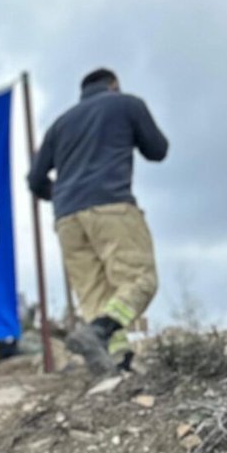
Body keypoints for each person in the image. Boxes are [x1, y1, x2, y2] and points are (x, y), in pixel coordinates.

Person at [28, 68, 168, 375]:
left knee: (95, 295)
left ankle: (117, 363)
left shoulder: (59, 125)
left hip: (67, 218)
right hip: (111, 206)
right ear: (113, 85)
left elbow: (36, 180)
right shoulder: (126, 104)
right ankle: (101, 332)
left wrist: (65, 194)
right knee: (139, 280)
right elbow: (158, 150)